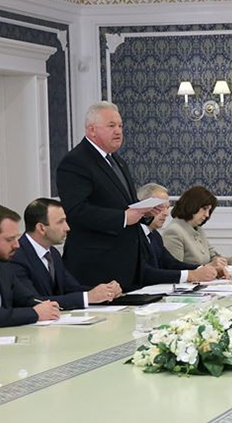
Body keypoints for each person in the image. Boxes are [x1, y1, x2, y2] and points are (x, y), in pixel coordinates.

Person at [56, 101, 165, 290]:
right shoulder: (75, 162)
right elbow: (76, 211)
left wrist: (144, 212)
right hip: (96, 266)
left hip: (127, 264)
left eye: (120, 126)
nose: (118, 131)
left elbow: (125, 205)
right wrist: (123, 218)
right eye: (111, 126)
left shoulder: (118, 161)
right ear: (92, 130)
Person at [9, 198, 122, 310]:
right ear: (41, 228)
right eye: (60, 222)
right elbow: (32, 301)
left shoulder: (53, 253)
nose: (67, 228)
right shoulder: (16, 256)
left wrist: (106, 291)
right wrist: (88, 297)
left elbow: (72, 288)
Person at [136, 183, 222, 284]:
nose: (166, 213)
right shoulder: (132, 236)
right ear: (143, 206)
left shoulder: (154, 235)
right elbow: (144, 273)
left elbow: (172, 264)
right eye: (160, 207)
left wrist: (204, 269)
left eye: (167, 208)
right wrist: (191, 275)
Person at [161, 185, 232, 268]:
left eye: (209, 210)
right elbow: (175, 269)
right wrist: (207, 267)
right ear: (192, 205)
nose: (207, 215)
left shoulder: (198, 229)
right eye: (204, 209)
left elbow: (213, 257)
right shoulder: (174, 231)